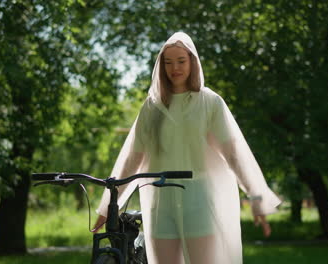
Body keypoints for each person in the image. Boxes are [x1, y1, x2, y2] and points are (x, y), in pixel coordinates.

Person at [92, 32, 281, 264]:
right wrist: (108, 207)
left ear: (192, 61)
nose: (175, 68)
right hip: (160, 206)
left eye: (181, 60)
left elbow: (234, 153)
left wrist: (257, 199)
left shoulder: (210, 102)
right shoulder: (152, 107)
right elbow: (133, 158)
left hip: (199, 202)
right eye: (168, 62)